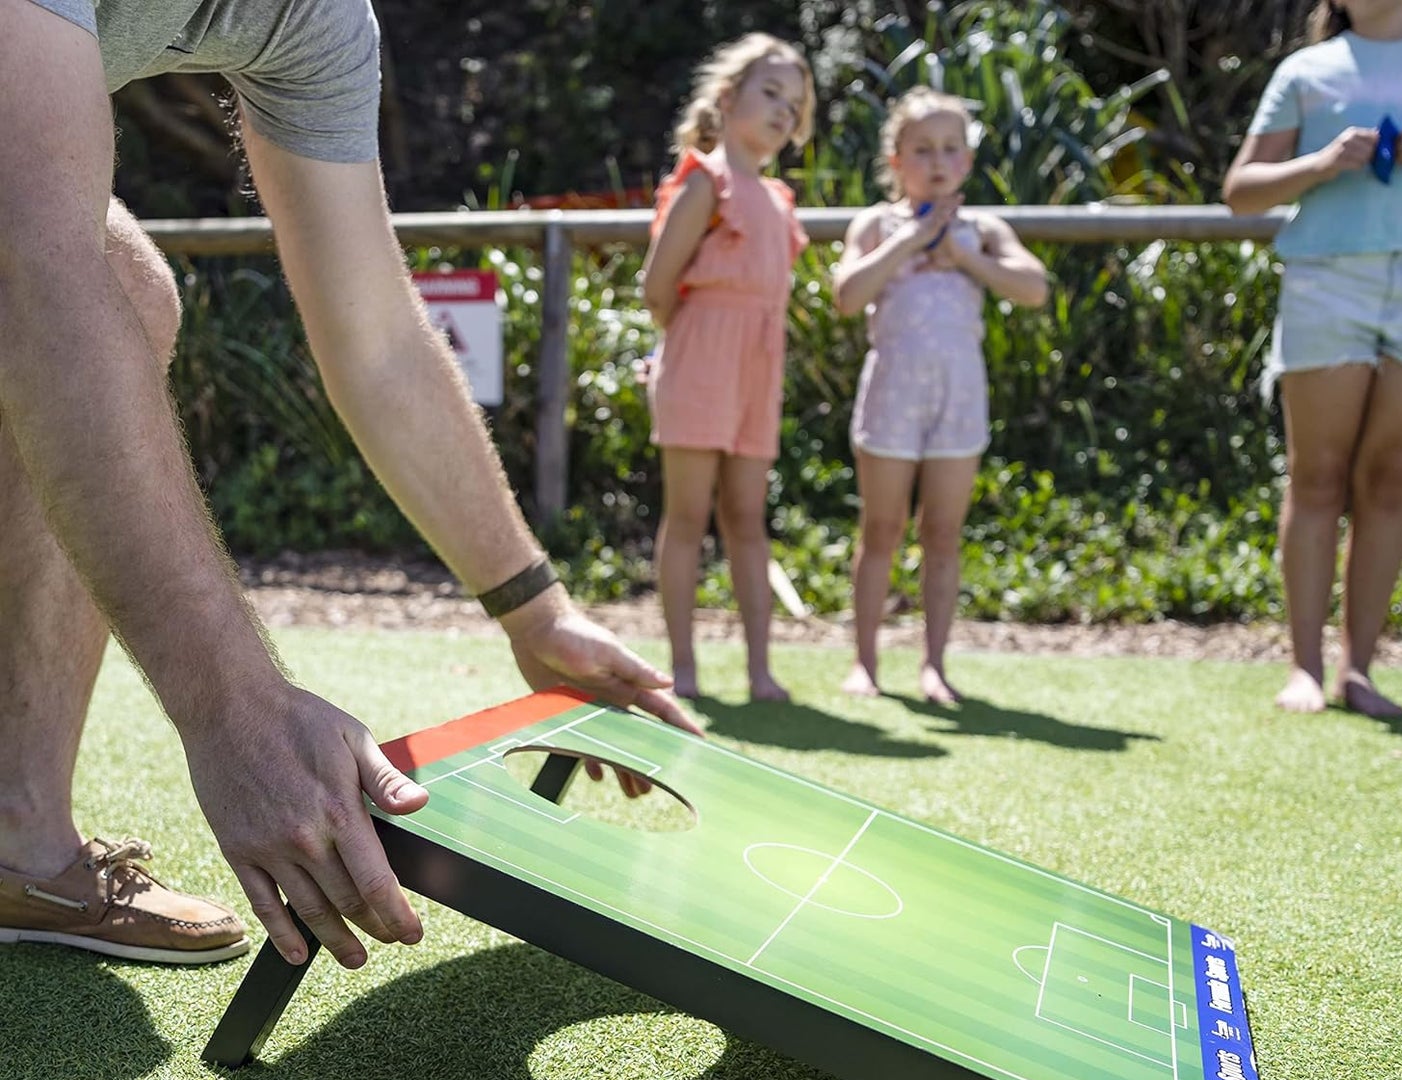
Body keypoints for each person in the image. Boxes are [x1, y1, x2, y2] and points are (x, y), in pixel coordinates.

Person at [0, 0, 695, 973]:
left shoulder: (317, 19)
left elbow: (378, 342)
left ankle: (18, 841)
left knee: (125, 290)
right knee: (67, 275)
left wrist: (534, 608)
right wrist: (233, 708)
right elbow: (36, 263)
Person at [1223, 0, 1402, 717]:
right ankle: (1305, 669)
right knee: (1316, 476)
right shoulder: (1305, 70)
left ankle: (1360, 671)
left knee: (1389, 478)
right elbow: (1240, 192)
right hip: (1326, 282)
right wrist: (1319, 165)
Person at [833, 88, 1048, 703]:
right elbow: (846, 296)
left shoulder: (983, 230)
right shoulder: (876, 225)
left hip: (959, 397)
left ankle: (934, 665)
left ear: (967, 161)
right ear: (896, 161)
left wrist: (963, 256)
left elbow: (1034, 287)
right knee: (881, 529)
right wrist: (909, 241)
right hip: (892, 395)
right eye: (923, 149)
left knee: (944, 534)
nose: (938, 161)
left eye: (951, 148)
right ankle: (865, 662)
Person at [639, 33, 815, 701]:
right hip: (699, 361)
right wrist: (687, 352)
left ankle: (758, 670)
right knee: (687, 515)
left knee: (746, 517)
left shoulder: (778, 199)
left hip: (756, 371)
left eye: (794, 104)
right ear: (728, 96)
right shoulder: (705, 183)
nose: (782, 111)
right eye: (770, 93)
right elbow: (657, 286)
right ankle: (682, 669)